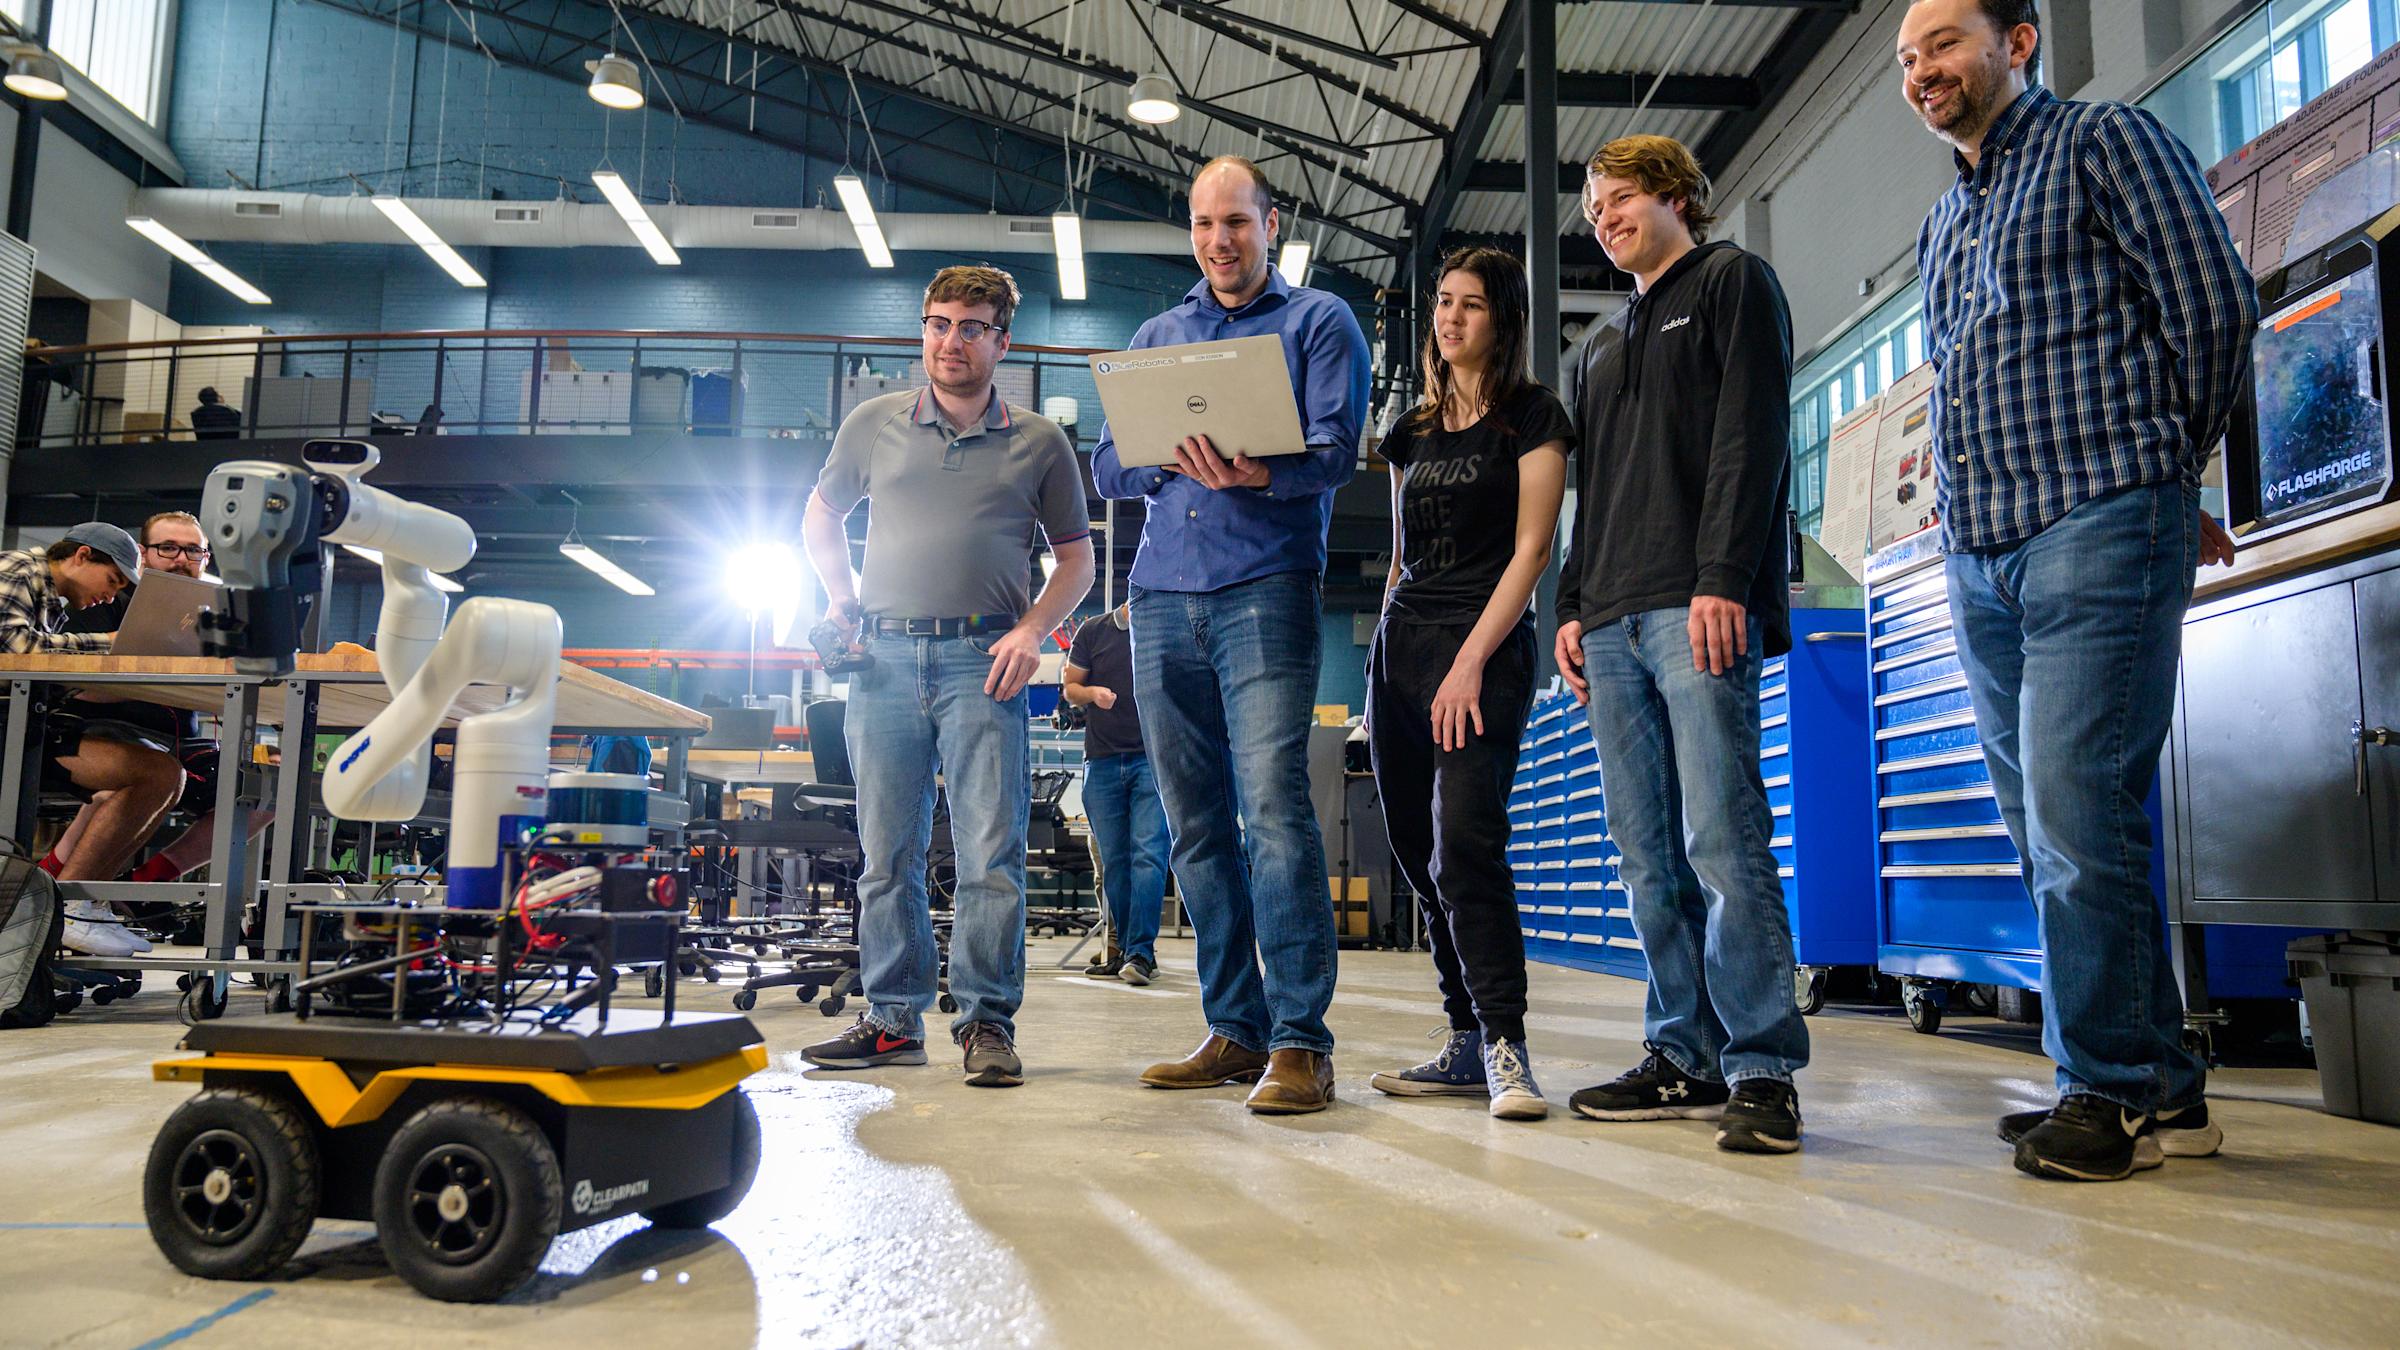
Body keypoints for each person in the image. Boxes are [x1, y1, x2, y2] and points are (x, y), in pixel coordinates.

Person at [1897, 0, 2255, 1181]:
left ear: (2019, 41)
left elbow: (2213, 306)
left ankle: (2101, 1087)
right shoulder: (1943, 220)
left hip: (2099, 516)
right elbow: (1955, 381)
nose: (1924, 71)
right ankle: (2155, 1085)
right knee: (2048, 823)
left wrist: (2163, 468)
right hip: (1983, 547)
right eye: (1908, 59)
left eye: (1944, 43)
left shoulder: (2105, 142)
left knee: (2074, 808)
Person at [1092, 155, 1371, 1116]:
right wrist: (1159, 456)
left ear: (1271, 224)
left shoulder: (1318, 322)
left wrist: (1257, 473)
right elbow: (1107, 466)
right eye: (1206, 224)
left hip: (1266, 591)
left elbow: (1339, 450)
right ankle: (1235, 1029)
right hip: (1161, 598)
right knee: (1198, 828)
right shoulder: (1158, 336)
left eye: (1237, 224)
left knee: (1276, 816)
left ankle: (1301, 1042)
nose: (1220, 241)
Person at [1552, 133, 1810, 1154]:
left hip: (1694, 608)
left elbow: (1753, 440)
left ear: (1675, 196)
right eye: (1594, 209)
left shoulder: (1734, 282)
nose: (1605, 218)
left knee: (1722, 839)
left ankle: (1760, 1065)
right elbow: (1592, 495)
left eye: (1619, 199)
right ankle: (1683, 1052)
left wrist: (1722, 579)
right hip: (1611, 618)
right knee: (1644, 853)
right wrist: (1571, 606)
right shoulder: (1601, 346)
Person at [798, 264, 1095, 1088]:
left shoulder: (1039, 441)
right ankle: (893, 1020)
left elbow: (1078, 559)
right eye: (937, 324)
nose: (950, 341)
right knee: (885, 854)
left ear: (1002, 340)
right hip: (883, 662)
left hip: (983, 663)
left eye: (970, 326)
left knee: (989, 855)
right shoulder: (874, 424)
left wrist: (1035, 630)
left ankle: (986, 1024)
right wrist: (841, 598)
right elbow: (822, 514)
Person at [1363, 247, 1570, 1121]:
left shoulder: (1534, 416)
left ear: (1503, 319)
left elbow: (1531, 552)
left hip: (1481, 650)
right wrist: (1387, 652)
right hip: (1400, 648)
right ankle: (1459, 1040)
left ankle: (1504, 1046)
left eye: (1471, 306)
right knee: (1419, 854)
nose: (1450, 319)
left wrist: (1470, 663)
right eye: (1443, 303)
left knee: (1467, 845)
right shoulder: (1410, 429)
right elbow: (1404, 557)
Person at [57, 513, 275, 896]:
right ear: (143, 554)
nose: (180, 558)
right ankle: (52, 885)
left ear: (206, 559)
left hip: (179, 744)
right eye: (168, 548)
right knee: (136, 776)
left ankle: (143, 888)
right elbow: (73, 684)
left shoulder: (215, 614)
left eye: (193, 550)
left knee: (265, 790)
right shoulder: (104, 596)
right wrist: (160, 684)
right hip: (105, 734)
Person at [0, 523, 184, 956]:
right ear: (82, 556)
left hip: (24, 728)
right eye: (113, 581)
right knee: (155, 773)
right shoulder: (18, 568)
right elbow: (19, 652)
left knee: (163, 773)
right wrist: (109, 645)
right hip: (10, 732)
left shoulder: (53, 603)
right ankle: (71, 911)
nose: (112, 595)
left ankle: (75, 906)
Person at [1061, 602, 1170, 986]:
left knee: (1148, 856)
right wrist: (1091, 693)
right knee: (1114, 862)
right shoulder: (1093, 630)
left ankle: (1141, 952)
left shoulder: (1167, 627)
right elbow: (1070, 688)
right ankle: (1125, 949)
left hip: (1152, 761)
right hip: (1103, 761)